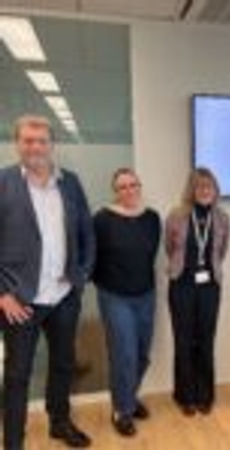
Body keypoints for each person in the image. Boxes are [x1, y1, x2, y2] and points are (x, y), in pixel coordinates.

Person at [0, 115, 95, 449]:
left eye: (42, 141)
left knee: (63, 364)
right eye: (28, 140)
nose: (35, 147)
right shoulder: (4, 182)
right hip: (20, 301)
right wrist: (2, 294)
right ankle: (13, 441)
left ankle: (59, 422)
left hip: (63, 296)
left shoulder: (70, 182)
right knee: (17, 375)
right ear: (18, 143)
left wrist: (81, 275)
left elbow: (86, 233)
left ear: (52, 145)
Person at [93, 168, 161, 437]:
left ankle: (128, 397)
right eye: (122, 187)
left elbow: (150, 254)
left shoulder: (152, 218)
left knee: (142, 354)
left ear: (139, 186)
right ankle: (121, 410)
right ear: (115, 191)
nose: (129, 190)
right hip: (115, 297)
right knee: (124, 355)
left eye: (133, 185)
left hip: (146, 295)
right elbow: (91, 254)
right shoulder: (102, 219)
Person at [165, 167, 230, 416]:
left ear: (215, 190)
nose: (205, 191)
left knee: (205, 341)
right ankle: (185, 396)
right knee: (183, 341)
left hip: (210, 288)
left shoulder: (222, 218)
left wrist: (208, 269)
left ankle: (205, 395)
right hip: (181, 285)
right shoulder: (177, 215)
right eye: (200, 186)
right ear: (191, 190)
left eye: (209, 186)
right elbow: (170, 248)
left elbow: (221, 251)